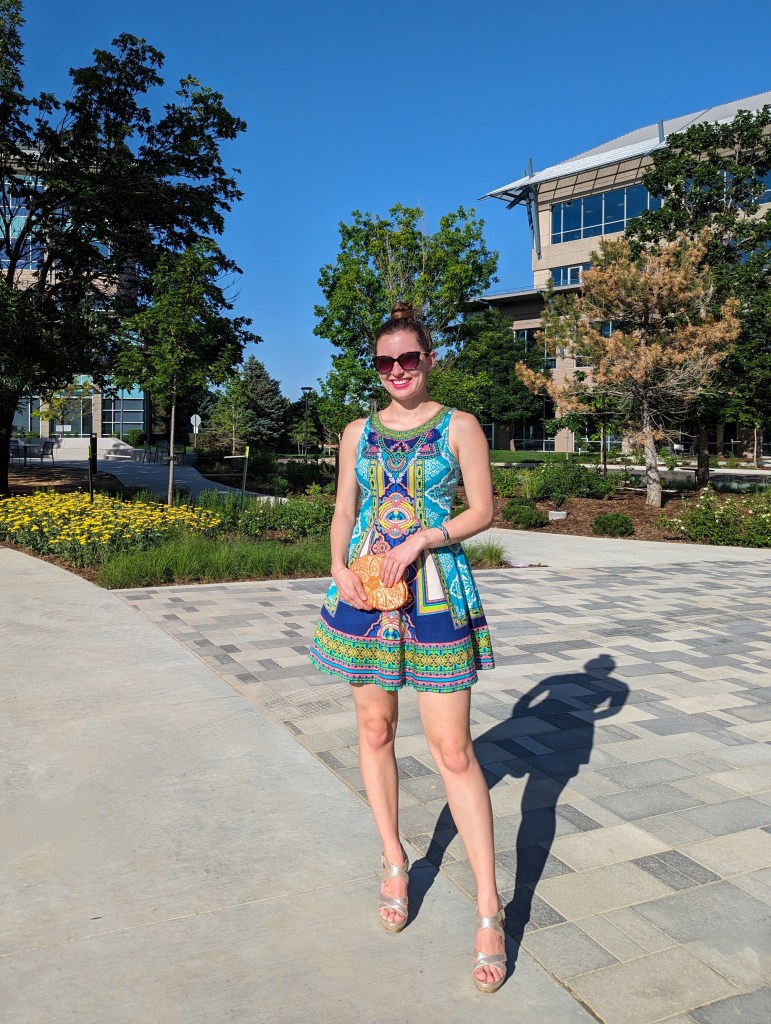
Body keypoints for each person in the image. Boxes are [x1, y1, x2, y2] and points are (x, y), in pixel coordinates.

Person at [308, 302, 505, 993]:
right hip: (365, 593)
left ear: (429, 360)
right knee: (374, 730)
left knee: (453, 750)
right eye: (385, 361)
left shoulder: (460, 426)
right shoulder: (356, 432)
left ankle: (489, 906)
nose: (396, 370)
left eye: (408, 358)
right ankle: (394, 860)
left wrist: (423, 537)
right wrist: (337, 566)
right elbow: (344, 508)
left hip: (435, 592)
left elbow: (483, 509)